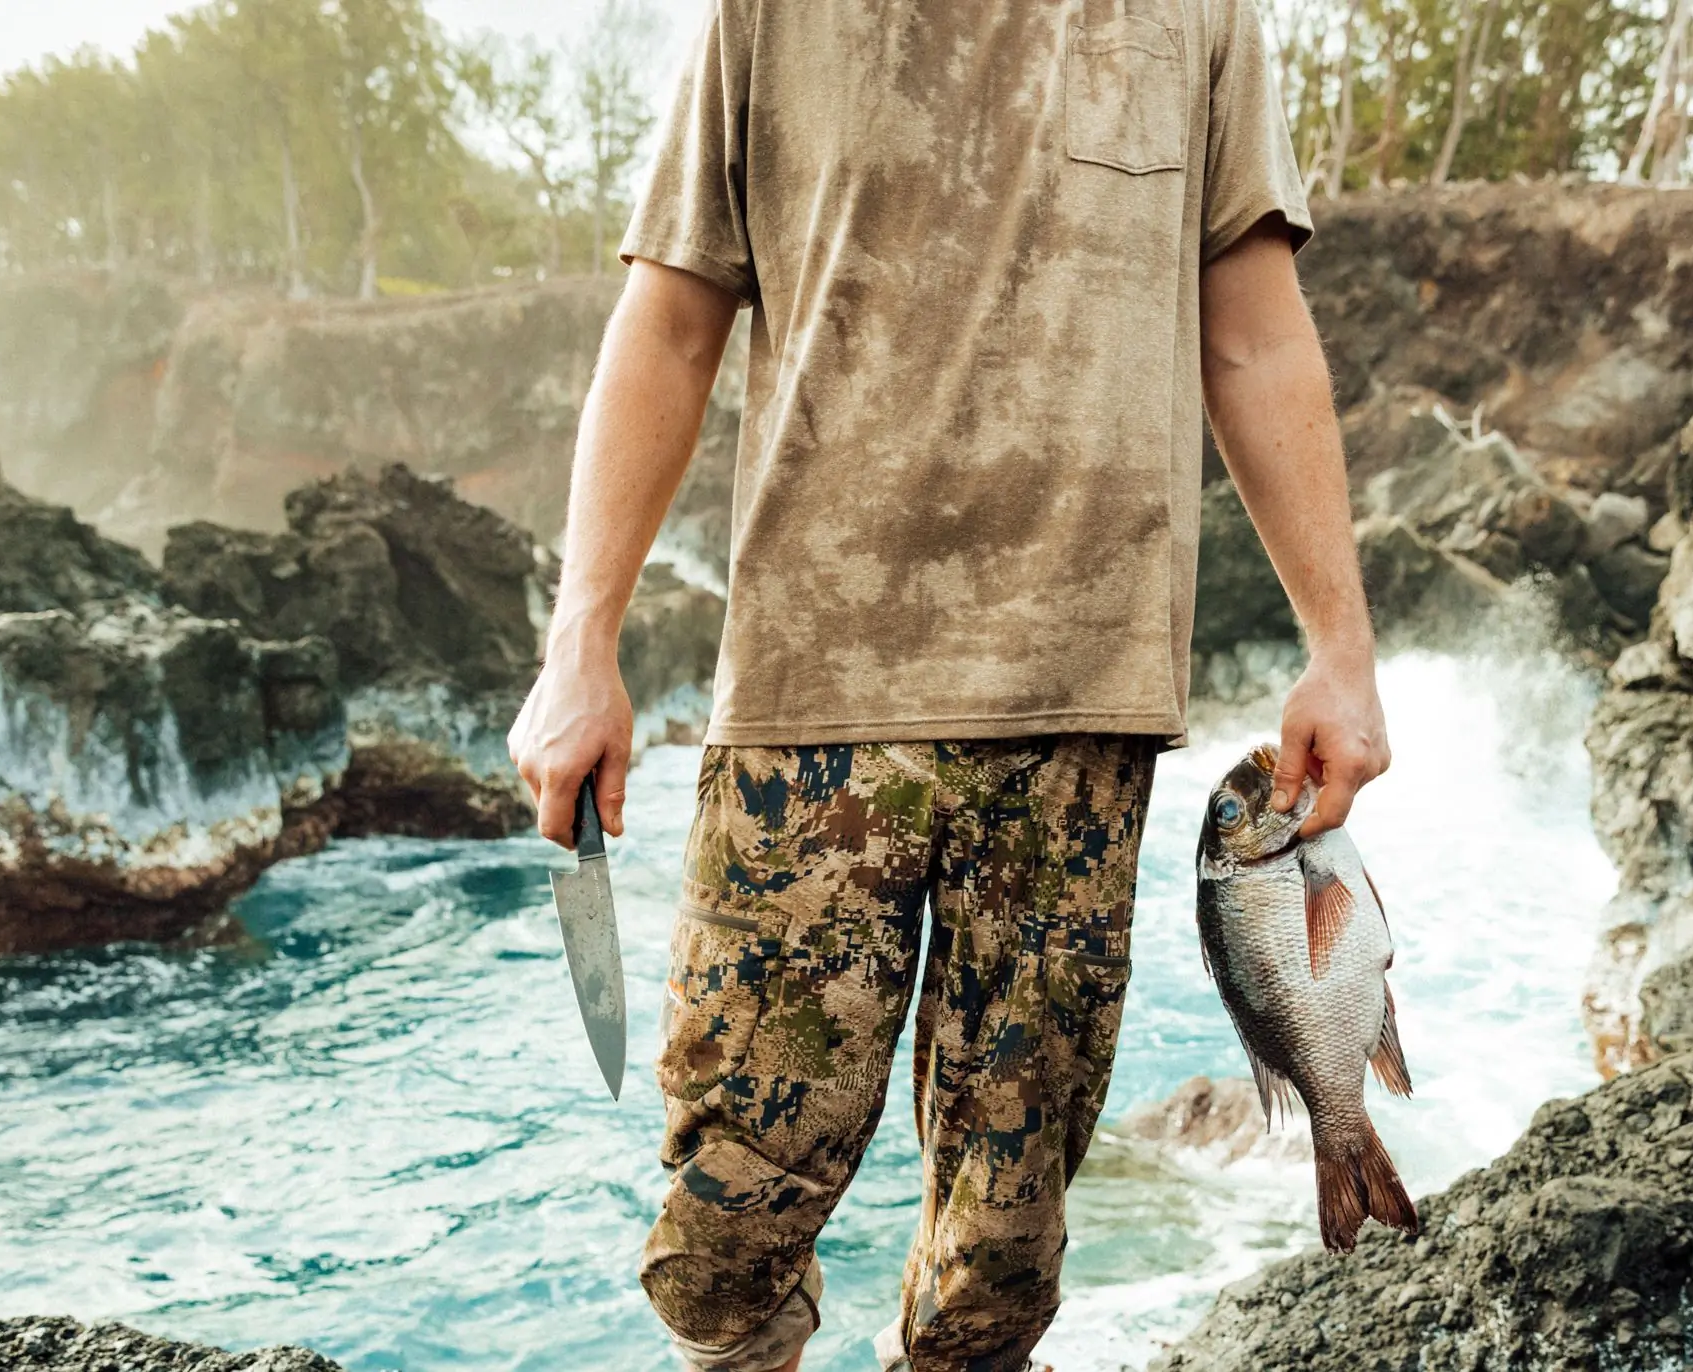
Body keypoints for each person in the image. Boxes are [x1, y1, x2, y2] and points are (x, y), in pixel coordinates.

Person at [507, 2, 1389, 1368]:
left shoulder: (1201, 18)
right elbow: (672, 321)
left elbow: (1255, 336)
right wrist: (582, 644)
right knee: (728, 1228)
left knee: (1000, 1267)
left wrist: (1342, 650)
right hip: (816, 702)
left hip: (1080, 718)